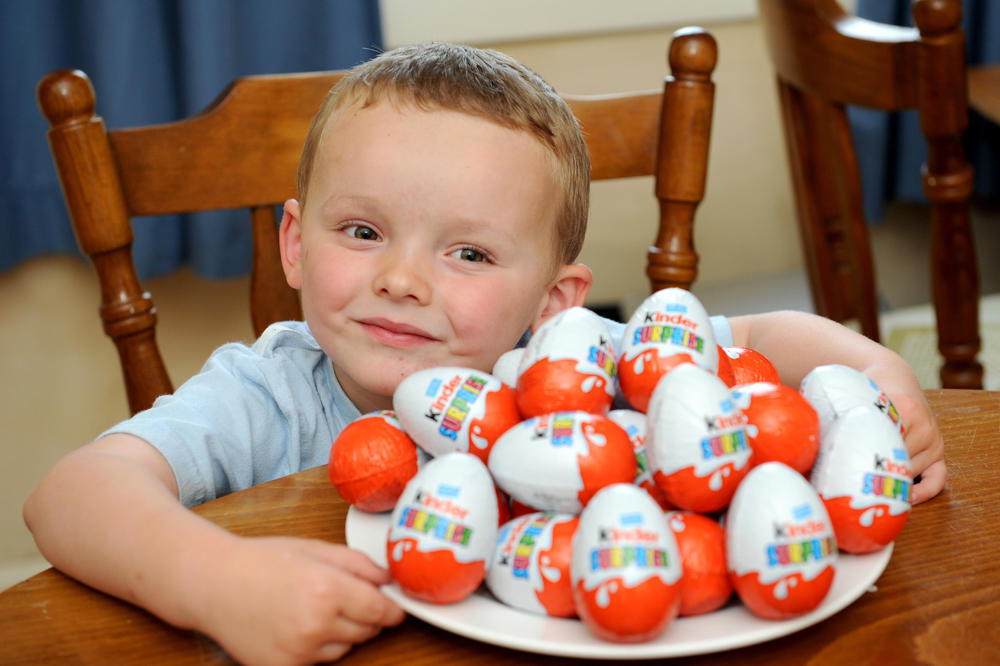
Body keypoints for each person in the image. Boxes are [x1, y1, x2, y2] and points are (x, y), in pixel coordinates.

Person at [23, 42, 944, 665]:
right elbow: (69, 496)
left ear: (552, 302)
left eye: (467, 253)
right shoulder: (271, 390)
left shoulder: (571, 369)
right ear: (293, 245)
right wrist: (215, 580)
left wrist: (864, 374)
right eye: (362, 230)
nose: (403, 279)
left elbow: (748, 339)